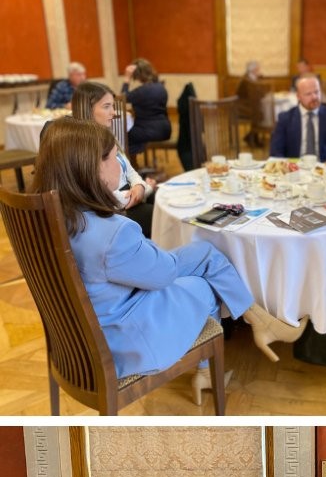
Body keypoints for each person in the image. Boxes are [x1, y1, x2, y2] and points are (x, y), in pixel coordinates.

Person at [32, 120, 300, 399]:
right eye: (114, 157)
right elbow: (163, 274)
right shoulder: (111, 233)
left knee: (205, 255)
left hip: (78, 342)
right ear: (92, 168)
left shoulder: (49, 218)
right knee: (205, 284)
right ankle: (229, 351)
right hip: (124, 345)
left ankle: (250, 329)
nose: (121, 164)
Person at [69, 81, 157, 237]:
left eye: (112, 106)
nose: (114, 112)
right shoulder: (82, 148)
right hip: (108, 213)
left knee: (161, 200)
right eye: (106, 106)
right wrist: (145, 189)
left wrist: (139, 186)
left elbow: (130, 170)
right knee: (158, 216)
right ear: (88, 109)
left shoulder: (108, 136)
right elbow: (101, 198)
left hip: (126, 196)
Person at [268, 75, 326, 164]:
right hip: (294, 171)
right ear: (298, 96)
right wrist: (287, 166)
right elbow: (276, 152)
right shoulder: (285, 119)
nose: (314, 97)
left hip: (324, 171)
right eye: (308, 94)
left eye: (317, 92)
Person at [119, 58, 170, 158]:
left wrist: (127, 79)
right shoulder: (160, 87)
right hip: (164, 129)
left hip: (149, 131)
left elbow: (122, 98)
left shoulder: (143, 91)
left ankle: (131, 167)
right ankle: (138, 165)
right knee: (129, 134)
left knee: (120, 136)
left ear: (138, 74)